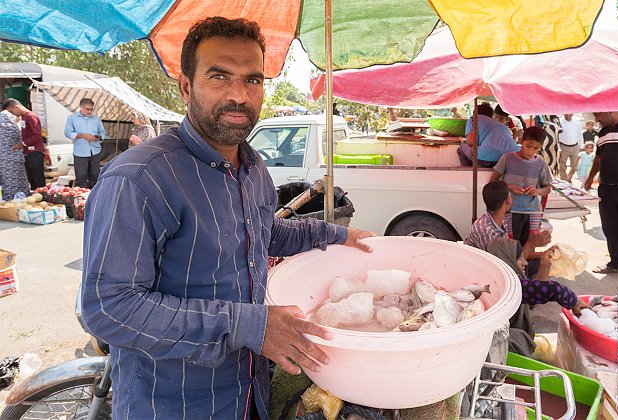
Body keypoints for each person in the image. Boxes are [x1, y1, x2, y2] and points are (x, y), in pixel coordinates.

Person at [80, 17, 374, 419]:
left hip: (250, 391)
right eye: (220, 76)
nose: (240, 95)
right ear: (187, 86)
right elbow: (109, 308)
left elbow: (264, 232)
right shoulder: (138, 179)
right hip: (175, 402)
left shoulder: (253, 168)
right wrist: (251, 326)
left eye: (253, 80)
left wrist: (335, 234)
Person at [464, 180, 551, 278]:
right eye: (510, 196)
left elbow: (514, 256)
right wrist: (531, 243)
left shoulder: (500, 221)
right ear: (508, 201)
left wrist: (545, 253)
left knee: (541, 262)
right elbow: (508, 269)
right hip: (484, 275)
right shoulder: (487, 233)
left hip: (502, 267)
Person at [490, 126, 552, 247]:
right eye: (528, 146)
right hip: (510, 211)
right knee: (511, 246)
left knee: (530, 246)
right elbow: (492, 182)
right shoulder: (507, 158)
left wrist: (537, 191)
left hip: (533, 212)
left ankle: (526, 266)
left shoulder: (541, 163)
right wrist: (510, 187)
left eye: (536, 148)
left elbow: (548, 188)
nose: (531, 151)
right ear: (521, 140)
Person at [584, 111, 618, 274]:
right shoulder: (603, 132)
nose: (596, 119)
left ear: (610, 109)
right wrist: (590, 178)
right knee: (611, 228)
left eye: (597, 115)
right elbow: (599, 157)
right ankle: (615, 264)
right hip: (607, 189)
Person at [457, 102, 519, 168]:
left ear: (474, 113)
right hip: (512, 158)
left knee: (462, 148)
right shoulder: (501, 125)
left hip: (487, 157)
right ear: (491, 116)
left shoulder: (473, 119)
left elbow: (471, 141)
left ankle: (467, 173)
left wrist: (464, 141)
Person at [4, 98, 46, 189]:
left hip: (35, 152)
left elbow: (37, 135)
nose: (13, 114)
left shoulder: (31, 116)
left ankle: (43, 199)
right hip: (28, 153)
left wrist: (22, 144)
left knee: (38, 179)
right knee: (31, 179)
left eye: (12, 112)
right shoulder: (24, 117)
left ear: (16, 107)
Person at [64, 98, 106, 188]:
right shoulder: (72, 118)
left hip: (95, 151)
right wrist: (82, 135)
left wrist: (98, 138)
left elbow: (102, 133)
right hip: (80, 153)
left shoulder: (96, 119)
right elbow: (67, 133)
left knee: (95, 176)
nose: (90, 111)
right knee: (81, 177)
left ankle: (95, 198)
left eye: (91, 109)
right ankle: (83, 199)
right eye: (87, 109)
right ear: (81, 107)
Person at [0, 102, 29, 200]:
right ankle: (22, 197)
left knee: (7, 181)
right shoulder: (13, 126)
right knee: (19, 180)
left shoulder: (4, 121)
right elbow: (21, 137)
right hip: (15, 157)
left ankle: (9, 199)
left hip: (4, 159)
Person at [558, 113, 582, 182]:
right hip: (563, 147)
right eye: (567, 113)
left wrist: (581, 145)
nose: (568, 114)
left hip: (575, 146)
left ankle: (569, 178)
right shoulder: (560, 122)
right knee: (562, 167)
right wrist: (559, 148)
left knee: (574, 166)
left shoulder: (577, 120)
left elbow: (579, 133)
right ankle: (564, 181)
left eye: (570, 113)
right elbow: (557, 135)